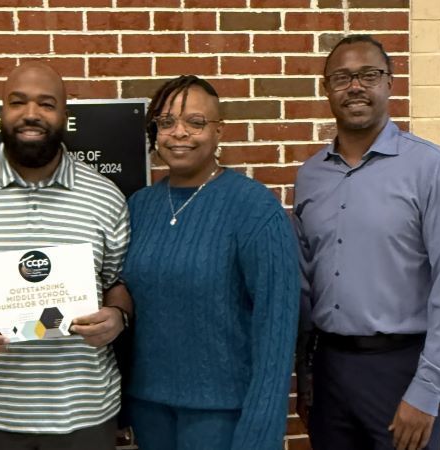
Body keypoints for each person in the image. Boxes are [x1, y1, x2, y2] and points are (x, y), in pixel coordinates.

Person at [0, 62, 131, 450]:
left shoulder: (105, 196)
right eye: (17, 102)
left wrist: (118, 317)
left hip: (84, 412)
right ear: (1, 111)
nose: (31, 113)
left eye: (46, 104)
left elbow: (116, 283)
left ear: (65, 115)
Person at [293, 35, 440, 450]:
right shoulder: (310, 176)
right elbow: (305, 285)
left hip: (402, 373)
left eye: (368, 75)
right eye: (342, 77)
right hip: (330, 372)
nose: (355, 86)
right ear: (326, 88)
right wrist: (306, 375)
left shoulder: (430, 167)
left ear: (390, 83)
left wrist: (428, 390)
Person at [120, 75, 300, 450]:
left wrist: (261, 433)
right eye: (166, 122)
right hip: (149, 411)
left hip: (223, 417)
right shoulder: (140, 207)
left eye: (195, 122)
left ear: (219, 132)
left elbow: (277, 328)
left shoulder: (254, 208)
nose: (179, 133)